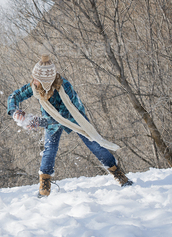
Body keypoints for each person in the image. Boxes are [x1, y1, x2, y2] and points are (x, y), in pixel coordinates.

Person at [7, 53, 132, 197]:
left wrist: (39, 121)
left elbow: (62, 117)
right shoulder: (35, 87)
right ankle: (44, 185)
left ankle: (117, 172)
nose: (33, 82)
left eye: (36, 80)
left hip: (76, 118)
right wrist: (14, 111)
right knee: (49, 150)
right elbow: (14, 96)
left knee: (94, 144)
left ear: (45, 81)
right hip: (51, 121)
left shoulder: (64, 87)